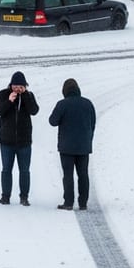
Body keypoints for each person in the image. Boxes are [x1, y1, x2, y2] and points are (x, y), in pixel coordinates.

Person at [48, 77, 96, 211]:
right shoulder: (88, 103)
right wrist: (88, 139)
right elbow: (93, 123)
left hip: (66, 147)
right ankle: (83, 203)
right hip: (84, 146)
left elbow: (52, 121)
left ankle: (68, 202)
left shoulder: (62, 104)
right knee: (83, 174)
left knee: (68, 175)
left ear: (64, 91)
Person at [0, 71, 39, 206]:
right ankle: (5, 196)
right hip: (7, 141)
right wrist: (9, 101)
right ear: (11, 85)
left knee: (24, 170)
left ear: (25, 86)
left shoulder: (29, 95)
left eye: (20, 86)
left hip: (24, 142)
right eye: (15, 86)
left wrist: (24, 96)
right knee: (6, 169)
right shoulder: (3, 94)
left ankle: (24, 197)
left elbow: (34, 110)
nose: (17, 89)